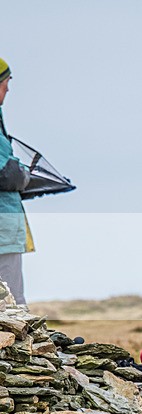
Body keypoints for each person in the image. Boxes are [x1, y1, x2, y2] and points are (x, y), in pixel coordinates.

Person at [0, 57, 33, 307]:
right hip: (3, 230)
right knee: (12, 307)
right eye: (5, 82)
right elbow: (8, 173)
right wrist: (24, 174)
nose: (8, 89)